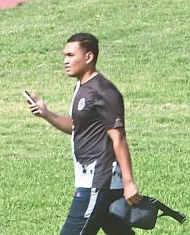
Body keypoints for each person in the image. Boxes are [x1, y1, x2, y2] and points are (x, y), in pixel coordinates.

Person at [27, 32, 140, 235]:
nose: (65, 61)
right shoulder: (82, 87)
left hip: (98, 179)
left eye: (71, 55)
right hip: (95, 179)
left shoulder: (104, 92)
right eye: (65, 55)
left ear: (88, 57)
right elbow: (76, 127)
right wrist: (46, 114)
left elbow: (118, 138)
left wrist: (129, 182)